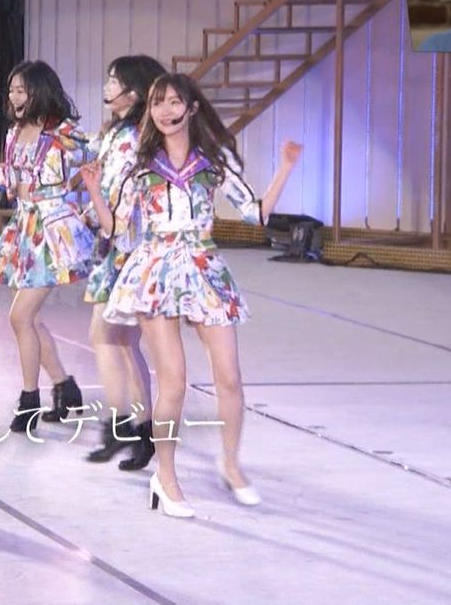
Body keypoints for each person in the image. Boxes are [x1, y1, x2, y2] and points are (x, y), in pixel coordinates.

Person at [81, 73, 302, 518]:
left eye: (173, 102)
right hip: (156, 270)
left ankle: (232, 465)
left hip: (203, 268)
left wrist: (285, 168)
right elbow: (116, 228)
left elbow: (256, 214)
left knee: (230, 377)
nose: (164, 111)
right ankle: (166, 477)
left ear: (192, 108)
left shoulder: (213, 160)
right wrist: (93, 190)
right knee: (174, 382)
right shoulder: (140, 166)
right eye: (157, 103)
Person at [0, 60, 95, 435]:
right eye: (12, 90)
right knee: (29, 319)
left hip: (53, 234)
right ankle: (64, 386)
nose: (15, 97)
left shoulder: (65, 134)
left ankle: (29, 400)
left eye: (22, 91)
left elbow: (96, 168)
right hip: (25, 231)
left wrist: (79, 204)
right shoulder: (14, 133)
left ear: (40, 92)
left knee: (20, 317)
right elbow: (9, 178)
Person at [82, 55, 166, 471]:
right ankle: (144, 430)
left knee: (104, 336)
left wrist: (95, 205)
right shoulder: (118, 133)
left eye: (114, 81)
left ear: (132, 93)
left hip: (125, 249)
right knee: (124, 343)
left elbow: (120, 200)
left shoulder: (131, 138)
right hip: (120, 246)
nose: (107, 86)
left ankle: (119, 425)